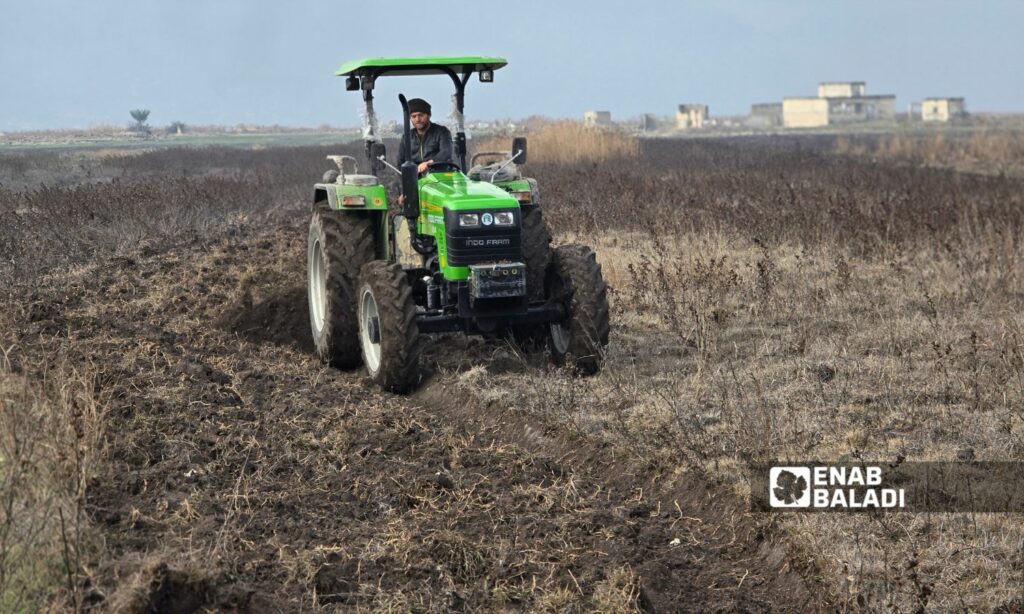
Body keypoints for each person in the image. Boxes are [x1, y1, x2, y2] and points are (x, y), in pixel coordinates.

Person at [398, 98, 453, 174]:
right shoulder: (407, 137)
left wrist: (429, 163)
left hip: (438, 173)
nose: (417, 119)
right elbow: (400, 161)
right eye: (413, 116)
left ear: (429, 115)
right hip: (416, 177)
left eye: (421, 115)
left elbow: (446, 152)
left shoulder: (442, 132)